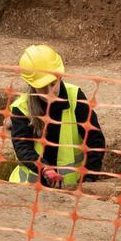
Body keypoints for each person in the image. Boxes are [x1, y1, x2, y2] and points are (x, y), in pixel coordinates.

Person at [9, 45, 106, 188]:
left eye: (53, 84)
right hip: (30, 188)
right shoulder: (21, 108)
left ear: (60, 77)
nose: (50, 92)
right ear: (31, 84)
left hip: (70, 187)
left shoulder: (75, 97)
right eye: (43, 87)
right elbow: (23, 148)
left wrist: (89, 180)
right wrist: (44, 168)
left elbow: (95, 140)